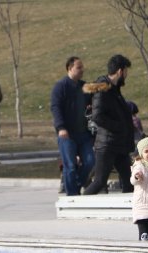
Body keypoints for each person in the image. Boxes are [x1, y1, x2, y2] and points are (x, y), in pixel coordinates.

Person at [82, 54, 135, 195]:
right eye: (126, 72)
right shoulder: (103, 90)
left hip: (118, 144)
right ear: (120, 71)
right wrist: (119, 127)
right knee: (99, 181)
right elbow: (98, 116)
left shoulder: (113, 90)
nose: (126, 75)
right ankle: (80, 205)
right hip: (107, 145)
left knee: (130, 180)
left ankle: (132, 211)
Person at [51, 56, 95, 196]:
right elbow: (55, 107)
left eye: (82, 67)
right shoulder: (61, 86)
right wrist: (61, 127)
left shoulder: (84, 86)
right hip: (67, 135)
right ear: (70, 69)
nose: (82, 70)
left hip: (83, 134)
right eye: (79, 67)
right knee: (70, 166)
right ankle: (72, 196)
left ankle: (75, 185)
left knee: (90, 161)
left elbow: (94, 100)